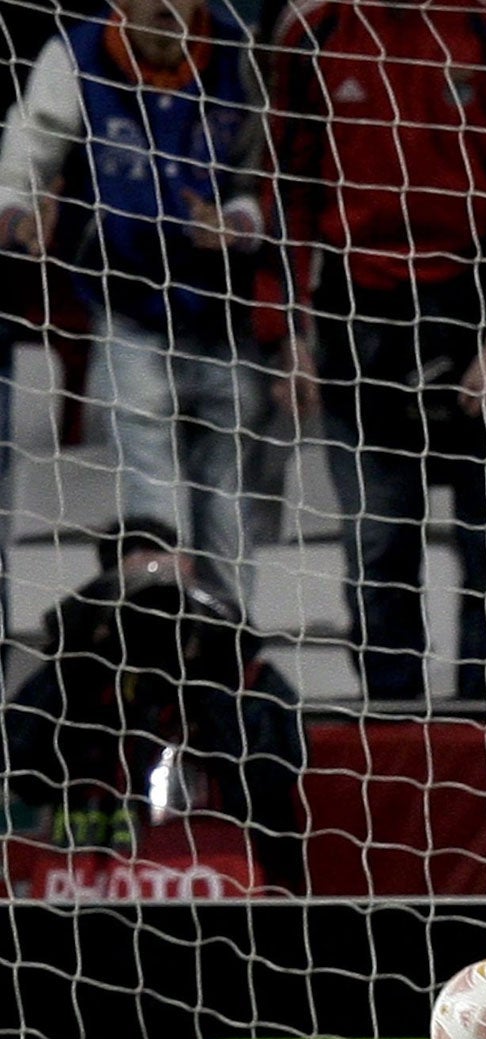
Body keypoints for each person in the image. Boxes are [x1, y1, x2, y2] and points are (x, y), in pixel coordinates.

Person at [265, 0, 486, 703]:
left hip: (478, 306)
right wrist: (289, 331)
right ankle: (395, 741)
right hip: (356, 318)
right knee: (378, 550)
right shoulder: (313, 25)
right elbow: (285, 188)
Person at [0, 0, 271, 610]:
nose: (164, 7)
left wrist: (239, 220)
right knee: (153, 499)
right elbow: (22, 164)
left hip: (225, 314)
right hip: (129, 310)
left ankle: (230, 656)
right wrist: (21, 216)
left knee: (228, 503)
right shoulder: (77, 55)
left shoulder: (242, 55)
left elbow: (267, 176)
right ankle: (167, 654)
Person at [2, 519, 306, 895]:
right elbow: (22, 772)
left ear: (192, 577)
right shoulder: (83, 675)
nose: (158, 615)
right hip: (87, 885)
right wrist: (75, 657)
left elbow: (268, 781)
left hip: (217, 886)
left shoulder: (244, 675)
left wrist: (214, 667)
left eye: (170, 593)